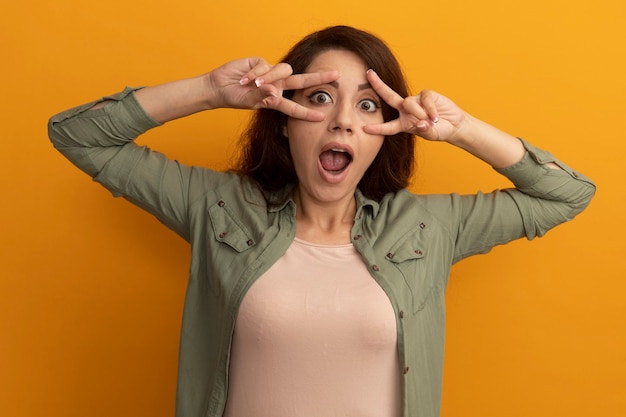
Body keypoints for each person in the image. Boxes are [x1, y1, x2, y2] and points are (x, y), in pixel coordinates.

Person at [48, 25, 595, 417]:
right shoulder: (218, 207)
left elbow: (566, 194)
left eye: (365, 106)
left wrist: (459, 128)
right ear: (285, 121)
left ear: (387, 129)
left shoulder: (428, 227)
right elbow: (77, 135)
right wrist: (211, 91)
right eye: (319, 98)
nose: (341, 121)